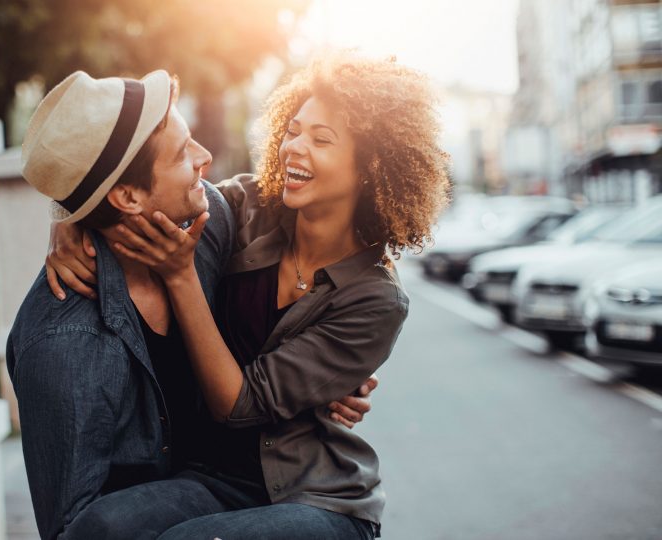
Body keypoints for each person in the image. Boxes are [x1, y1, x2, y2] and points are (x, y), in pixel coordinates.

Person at [48, 51, 449, 538]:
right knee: (98, 529)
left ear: (371, 167)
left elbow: (237, 406)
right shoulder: (248, 206)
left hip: (316, 497)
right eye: (294, 129)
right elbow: (148, 193)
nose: (294, 148)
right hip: (217, 478)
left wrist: (181, 277)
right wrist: (71, 219)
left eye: (321, 139)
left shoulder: (376, 299)